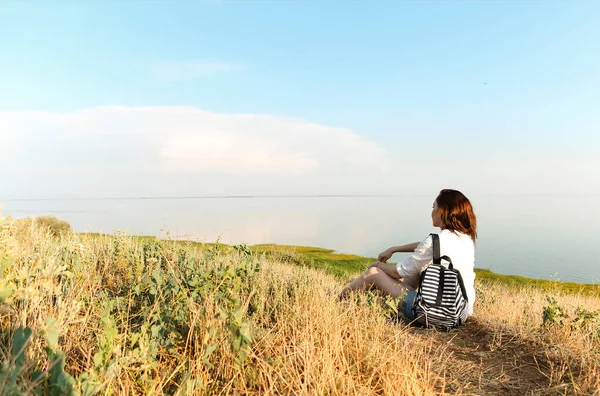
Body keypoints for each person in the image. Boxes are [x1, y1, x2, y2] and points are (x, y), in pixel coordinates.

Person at [339, 189, 478, 320]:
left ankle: (337, 298)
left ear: (442, 211)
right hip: (461, 312)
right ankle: (391, 301)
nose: (431, 211)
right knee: (420, 269)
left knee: (373, 273)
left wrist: (377, 265)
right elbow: (426, 246)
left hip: (433, 315)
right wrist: (394, 249)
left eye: (433, 206)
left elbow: (398, 272)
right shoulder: (466, 238)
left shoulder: (436, 241)